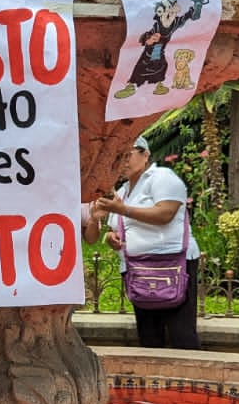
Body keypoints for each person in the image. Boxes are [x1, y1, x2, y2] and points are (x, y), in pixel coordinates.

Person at [85, 135, 200, 349]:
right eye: (118, 158)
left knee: (181, 334)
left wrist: (123, 210)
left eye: (128, 155)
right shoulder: (121, 192)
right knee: (148, 336)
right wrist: (111, 238)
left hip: (172, 263)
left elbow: (165, 213)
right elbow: (114, 231)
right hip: (138, 268)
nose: (124, 162)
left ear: (145, 154)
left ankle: (189, 381)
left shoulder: (162, 177)